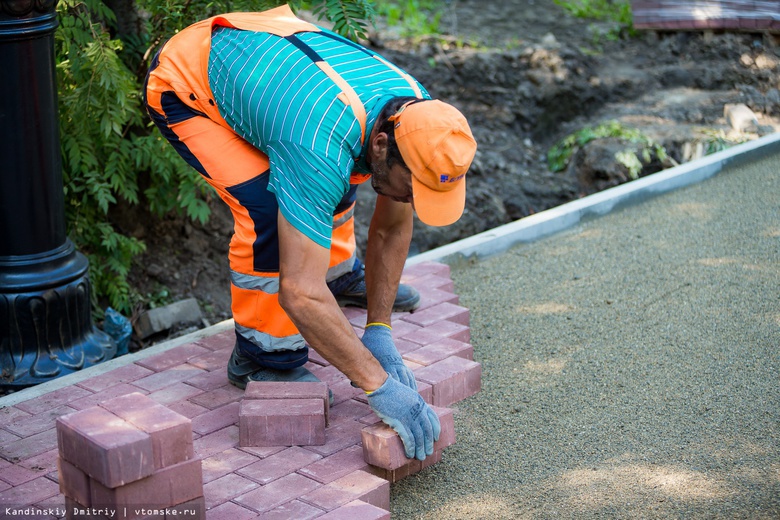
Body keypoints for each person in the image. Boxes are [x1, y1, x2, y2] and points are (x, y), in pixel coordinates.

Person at [144, 5, 476, 460]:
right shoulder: (318, 143)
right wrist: (378, 385)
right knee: (269, 209)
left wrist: (379, 330)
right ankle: (262, 356)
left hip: (277, 70)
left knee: (338, 177)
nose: (415, 202)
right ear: (382, 144)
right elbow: (299, 293)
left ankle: (336, 274)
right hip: (189, 81)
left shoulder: (417, 115)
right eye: (414, 189)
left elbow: (391, 225)